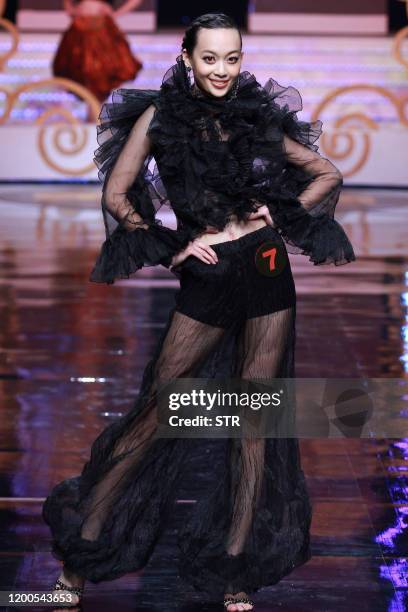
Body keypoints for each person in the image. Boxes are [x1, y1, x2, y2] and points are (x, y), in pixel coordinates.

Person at [43, 12, 356, 612]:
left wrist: (276, 212)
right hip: (208, 277)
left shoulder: (259, 114)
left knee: (254, 427)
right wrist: (174, 245)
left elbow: (325, 171)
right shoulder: (160, 117)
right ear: (187, 57)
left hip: (266, 271)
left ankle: (234, 576)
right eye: (209, 58)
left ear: (241, 58)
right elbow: (117, 193)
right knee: (156, 414)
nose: (221, 69)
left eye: (231, 58)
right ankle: (76, 565)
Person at [53, 0, 143, 102]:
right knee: (81, 76)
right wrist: (69, 7)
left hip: (101, 30)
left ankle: (94, 114)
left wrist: (116, 14)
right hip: (80, 30)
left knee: (101, 78)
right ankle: (92, 114)